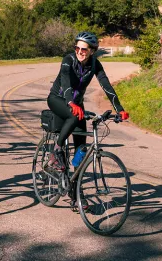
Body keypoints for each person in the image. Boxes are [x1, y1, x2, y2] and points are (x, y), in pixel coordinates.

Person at [46, 31, 129, 179]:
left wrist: (119, 108)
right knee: (73, 115)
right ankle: (56, 151)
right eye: (76, 48)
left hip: (77, 104)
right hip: (58, 99)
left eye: (83, 49)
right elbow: (65, 80)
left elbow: (106, 86)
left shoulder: (95, 64)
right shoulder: (68, 60)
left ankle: (76, 193)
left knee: (81, 150)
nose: (79, 52)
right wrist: (70, 102)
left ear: (92, 51)